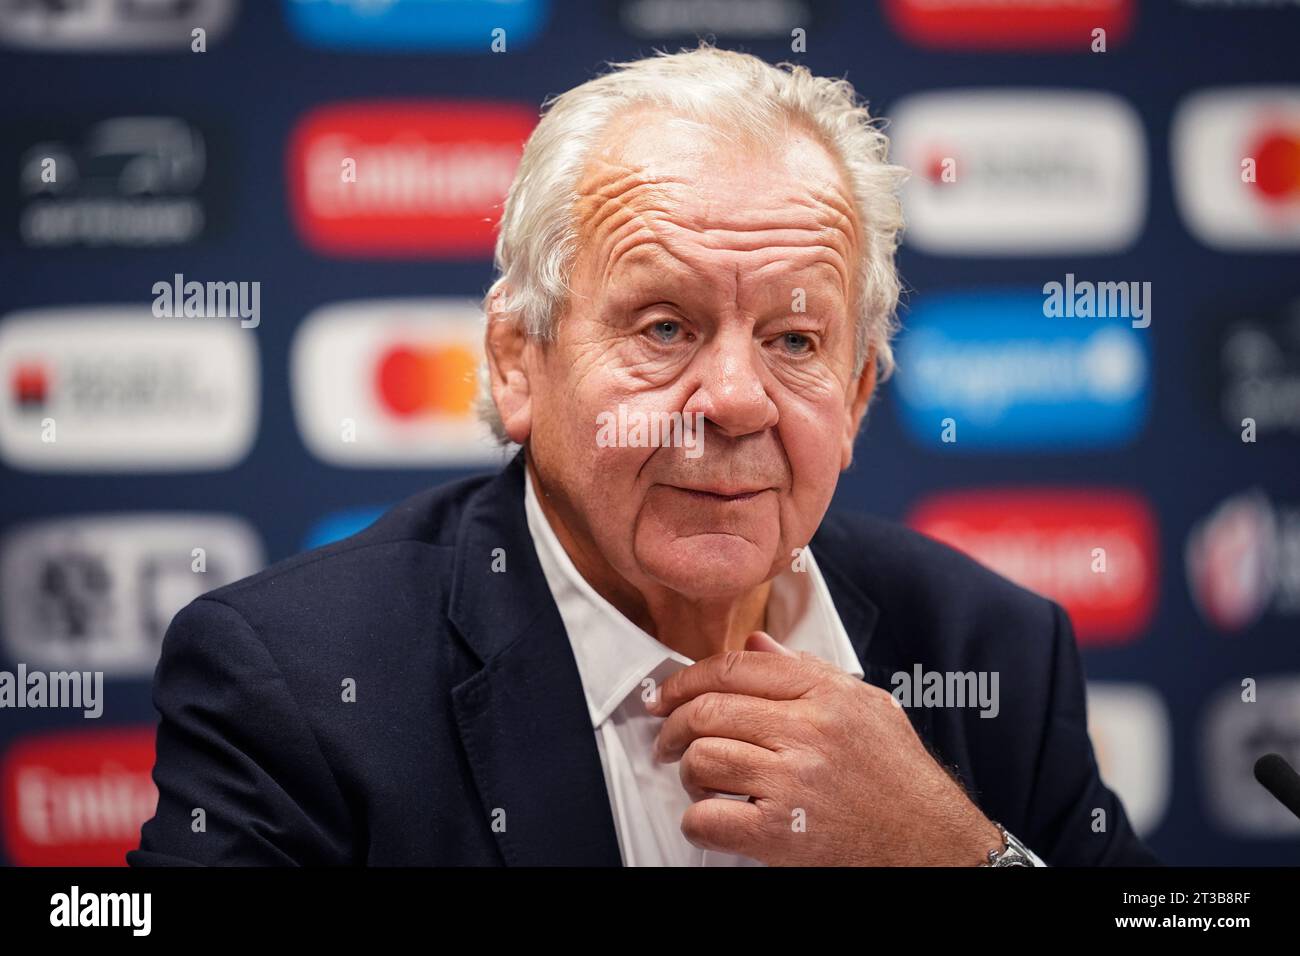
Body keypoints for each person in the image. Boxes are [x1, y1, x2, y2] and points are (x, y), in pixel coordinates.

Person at [129, 45, 1158, 867]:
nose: (732, 399)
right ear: (518, 359)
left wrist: (959, 859)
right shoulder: (298, 682)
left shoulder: (993, 650)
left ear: (853, 397)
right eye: (663, 326)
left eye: (796, 340)